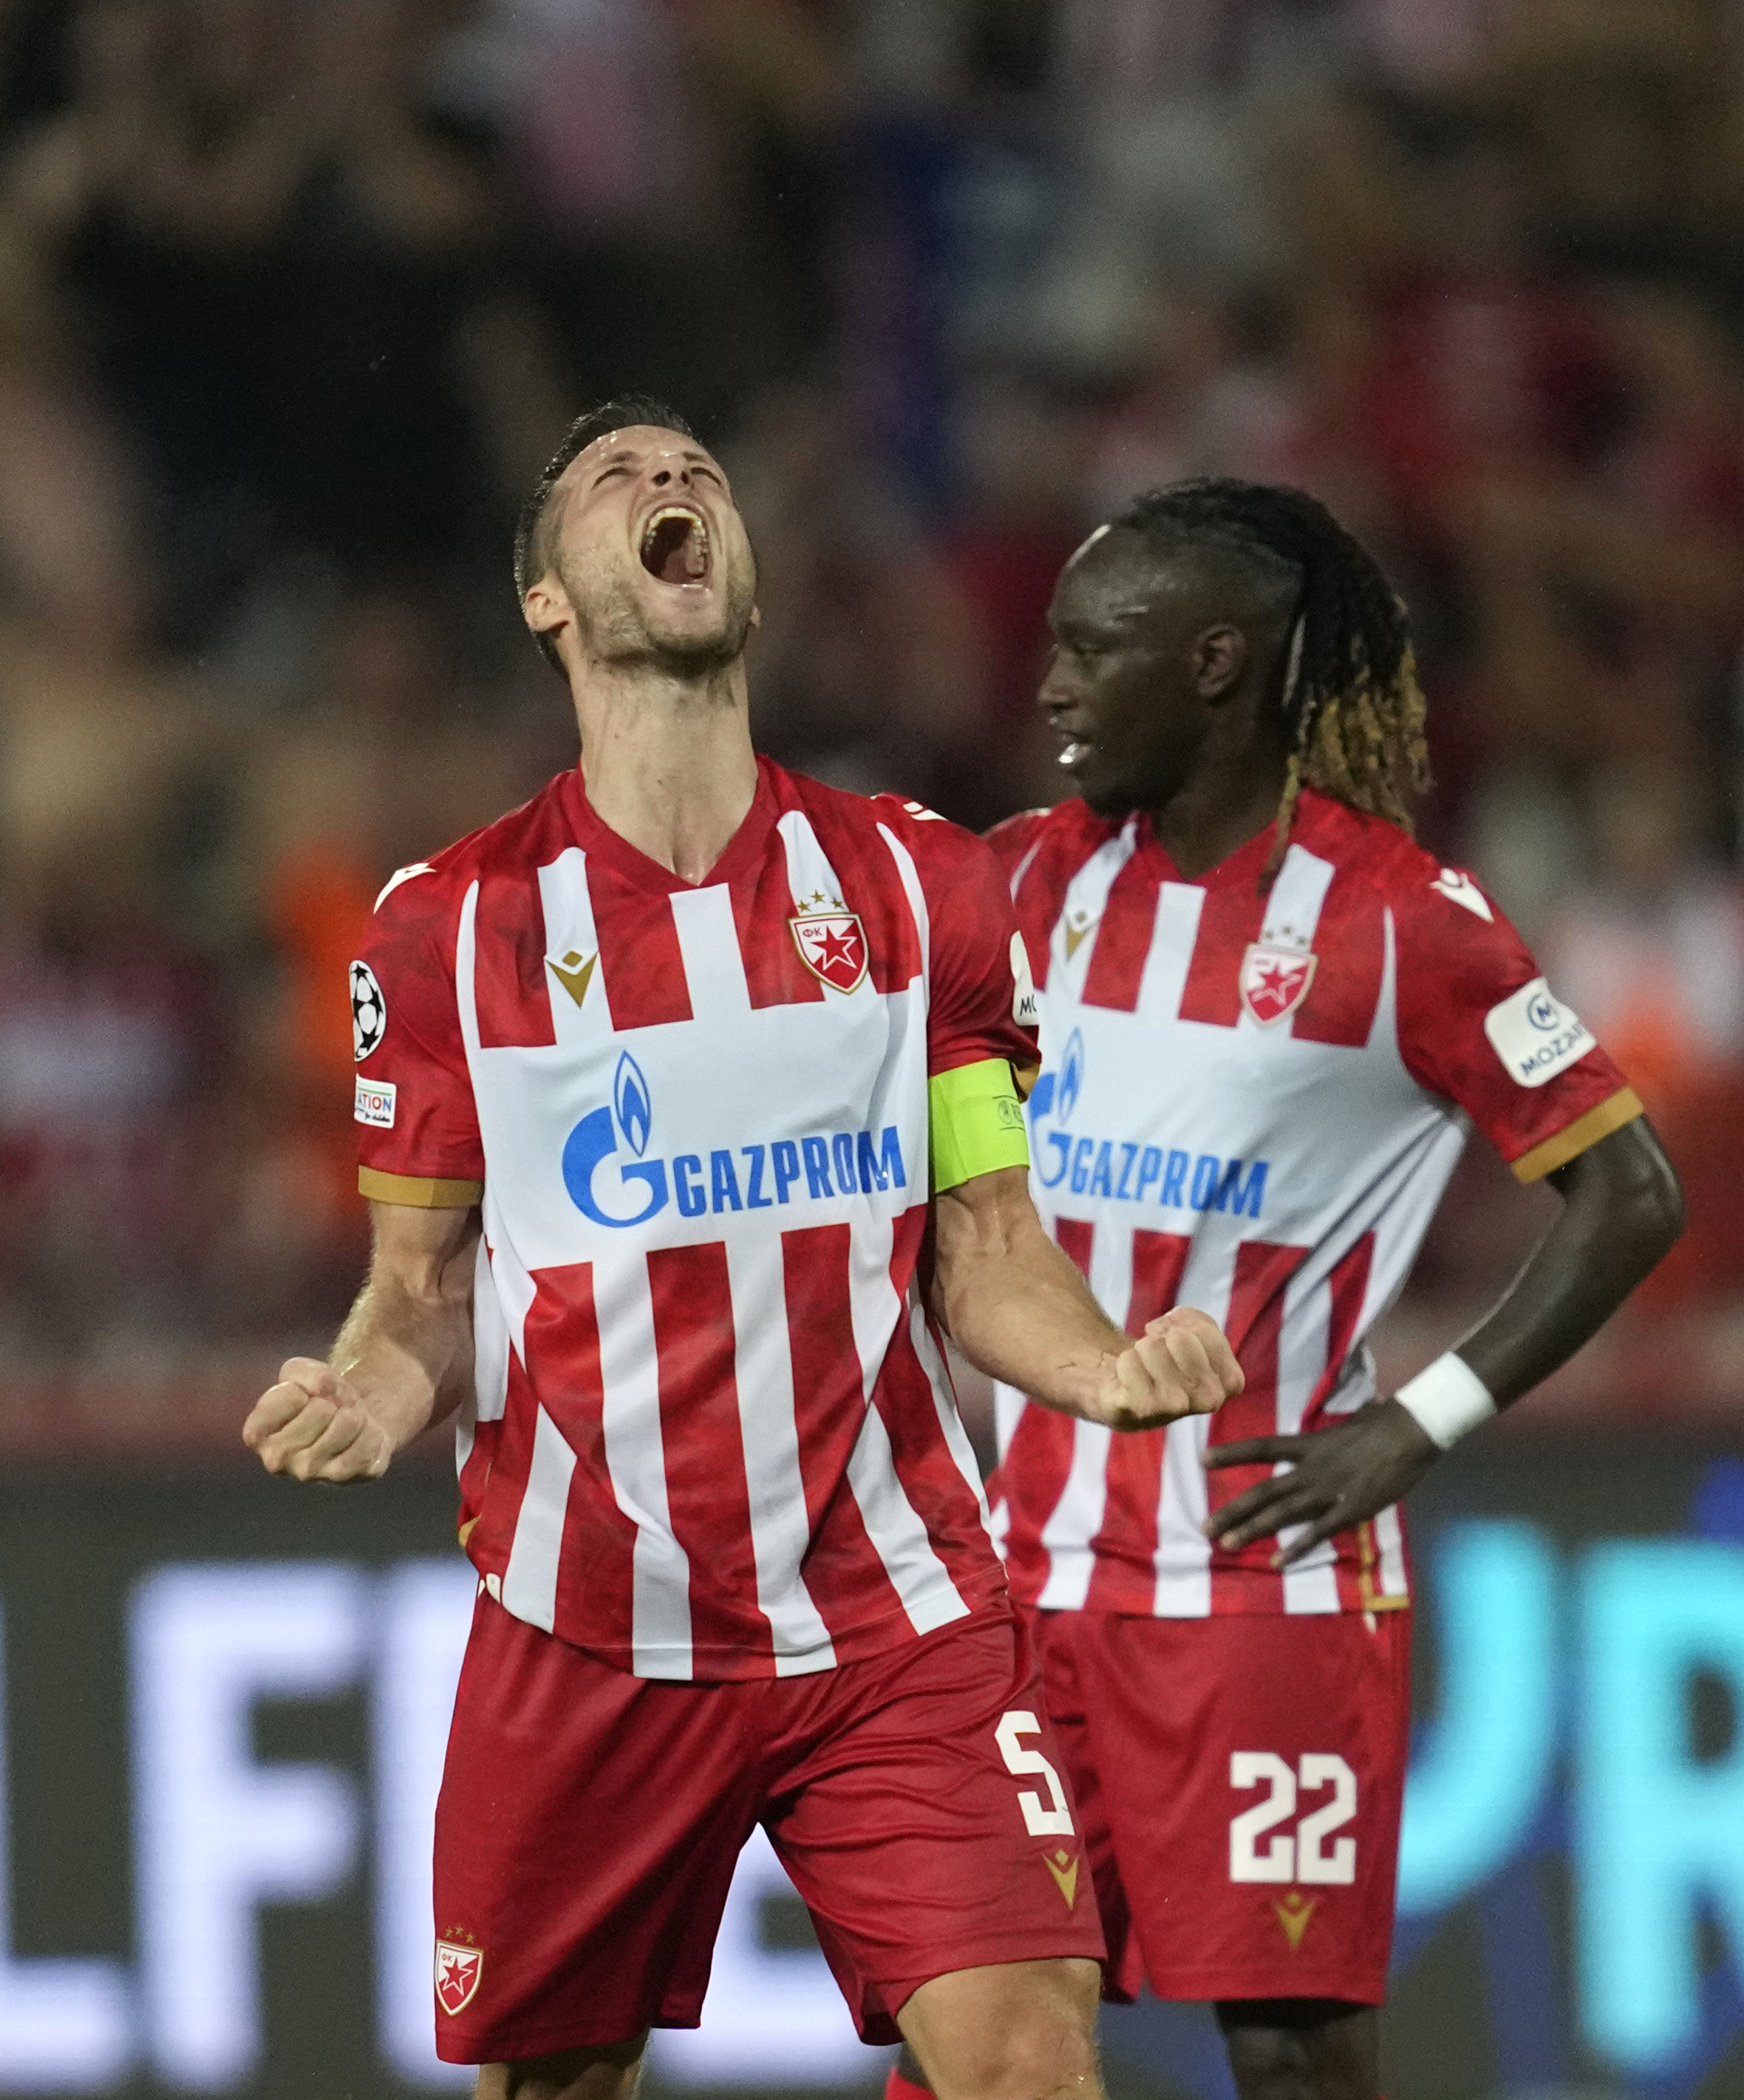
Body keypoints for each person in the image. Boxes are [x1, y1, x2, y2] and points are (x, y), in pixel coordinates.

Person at [239, 398, 1244, 2100]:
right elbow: (418, 1298)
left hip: (896, 1614)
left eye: (696, 467)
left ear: (747, 580)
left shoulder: (926, 888)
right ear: (548, 599)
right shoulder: (448, 931)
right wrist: (360, 1389)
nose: (673, 481)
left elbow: (985, 1238)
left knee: (1028, 2064)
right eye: (616, 479)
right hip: (588, 1629)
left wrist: (1104, 1362)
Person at [890, 478, 1684, 2100]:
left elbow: (1630, 1189)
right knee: (978, 2044)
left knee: (1294, 2053)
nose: (1044, 685)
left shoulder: (1405, 923)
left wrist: (1416, 1418)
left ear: (1213, 664)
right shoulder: (1013, 886)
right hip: (1015, 1587)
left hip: (1260, 1586)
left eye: (1088, 649)